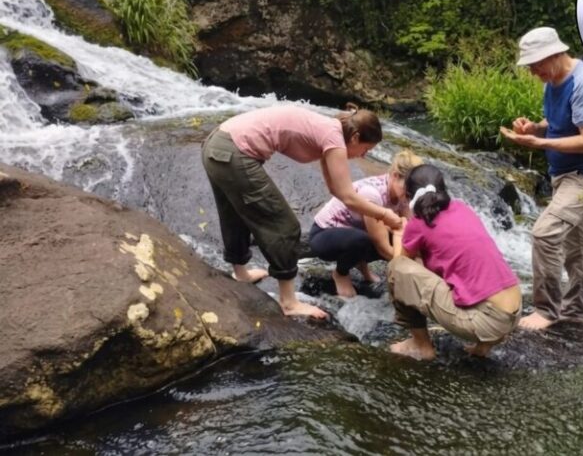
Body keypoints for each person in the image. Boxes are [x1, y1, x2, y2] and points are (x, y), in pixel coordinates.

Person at [202, 103, 402, 319]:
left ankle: (241, 274)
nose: (363, 155)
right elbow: (348, 195)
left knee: (234, 213)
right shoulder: (334, 139)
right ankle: (289, 302)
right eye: (366, 149)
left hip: (216, 145)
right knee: (285, 226)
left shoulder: (329, 130)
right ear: (354, 137)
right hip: (234, 153)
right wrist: (384, 214)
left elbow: (336, 190)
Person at [500, 26, 583, 330]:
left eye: (535, 64)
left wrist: (540, 144)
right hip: (564, 174)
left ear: (553, 55)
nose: (533, 71)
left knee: (545, 234)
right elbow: (557, 121)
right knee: (577, 249)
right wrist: (534, 129)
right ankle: (575, 311)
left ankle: (546, 311)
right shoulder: (553, 81)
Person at [387, 164, 521, 360]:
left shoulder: (419, 223)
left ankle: (420, 345)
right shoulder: (461, 207)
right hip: (513, 313)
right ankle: (483, 347)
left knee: (396, 269)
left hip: (485, 321)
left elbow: (402, 264)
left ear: (409, 196)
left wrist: (399, 231)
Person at [309, 150, 423, 298]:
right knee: (364, 241)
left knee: (397, 239)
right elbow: (382, 248)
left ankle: (361, 265)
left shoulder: (404, 195)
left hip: (354, 232)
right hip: (324, 235)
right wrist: (415, 270)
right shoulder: (372, 193)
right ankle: (340, 273)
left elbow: (410, 232)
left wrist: (421, 257)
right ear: (395, 176)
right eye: (407, 189)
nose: (409, 195)